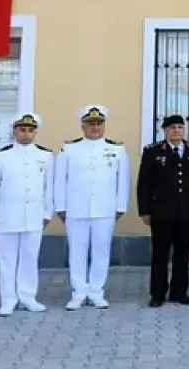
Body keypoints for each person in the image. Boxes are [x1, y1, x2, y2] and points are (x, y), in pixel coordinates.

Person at [54, 105, 131, 310]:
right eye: (91, 124)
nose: (95, 128)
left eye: (99, 123)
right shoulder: (68, 148)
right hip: (75, 208)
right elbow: (60, 179)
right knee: (77, 251)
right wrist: (60, 206)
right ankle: (79, 292)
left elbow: (122, 180)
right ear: (82, 126)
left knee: (101, 251)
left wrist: (120, 206)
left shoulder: (117, 149)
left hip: (105, 209)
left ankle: (97, 291)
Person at [0, 112, 54, 316]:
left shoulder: (45, 156)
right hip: (7, 216)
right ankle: (8, 299)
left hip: (34, 216)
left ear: (36, 133)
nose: (26, 134)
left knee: (29, 258)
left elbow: (48, 187)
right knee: (7, 260)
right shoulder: (1, 156)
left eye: (30, 130)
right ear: (14, 131)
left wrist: (47, 213)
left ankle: (27, 296)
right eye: (22, 129)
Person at [136, 114, 189, 307]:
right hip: (161, 212)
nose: (177, 131)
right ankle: (158, 294)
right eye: (172, 128)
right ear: (165, 131)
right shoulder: (153, 152)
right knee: (160, 254)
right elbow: (144, 183)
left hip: (187, 212)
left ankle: (179, 292)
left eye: (180, 127)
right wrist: (144, 210)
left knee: (182, 254)